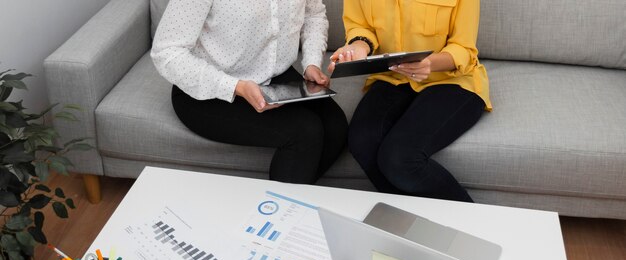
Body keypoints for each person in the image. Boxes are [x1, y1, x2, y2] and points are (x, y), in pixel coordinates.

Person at [151, 0, 347, 185]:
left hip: (274, 75)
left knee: (335, 126)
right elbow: (166, 52)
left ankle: (287, 206)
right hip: (209, 88)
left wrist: (311, 62)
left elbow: (313, 14)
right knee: (305, 131)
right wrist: (236, 86)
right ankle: (272, 215)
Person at [329, 0, 491, 202]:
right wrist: (358, 48)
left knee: (399, 159)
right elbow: (361, 27)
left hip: (451, 79)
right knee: (363, 142)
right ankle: (410, 224)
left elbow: (463, 48)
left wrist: (429, 64)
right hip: (393, 77)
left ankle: (470, 223)